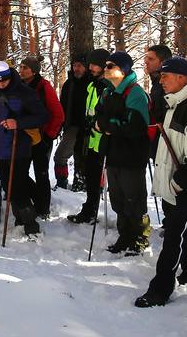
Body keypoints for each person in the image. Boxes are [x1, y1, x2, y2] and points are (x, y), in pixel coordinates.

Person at [135, 57, 187, 307]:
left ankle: (160, 289)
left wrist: (181, 182)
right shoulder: (177, 102)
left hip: (184, 185)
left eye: (166, 76)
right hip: (177, 181)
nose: (162, 80)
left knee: (174, 237)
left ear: (183, 78)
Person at [94, 52, 152, 254]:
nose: (106, 68)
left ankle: (140, 237)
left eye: (111, 65)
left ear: (124, 69)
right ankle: (124, 235)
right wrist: (108, 124)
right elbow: (98, 115)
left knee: (133, 197)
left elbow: (135, 126)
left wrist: (111, 125)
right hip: (113, 151)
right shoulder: (107, 92)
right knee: (117, 197)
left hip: (133, 153)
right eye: (106, 65)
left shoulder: (135, 93)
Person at [0, 60, 47, 236]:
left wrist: (17, 123)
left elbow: (42, 116)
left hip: (18, 146)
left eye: (4, 80)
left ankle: (31, 225)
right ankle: (22, 217)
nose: (1, 84)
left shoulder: (24, 92)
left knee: (17, 188)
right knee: (8, 185)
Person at [67, 49, 113, 225]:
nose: (90, 67)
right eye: (90, 64)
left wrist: (97, 122)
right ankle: (89, 210)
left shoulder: (108, 87)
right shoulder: (92, 85)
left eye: (94, 64)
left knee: (99, 179)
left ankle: (93, 211)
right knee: (92, 178)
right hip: (91, 139)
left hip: (104, 140)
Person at [19, 56, 64, 217]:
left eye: (25, 67)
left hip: (42, 138)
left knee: (41, 174)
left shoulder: (44, 87)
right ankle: (32, 200)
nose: (21, 70)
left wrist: (48, 136)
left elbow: (58, 114)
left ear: (34, 70)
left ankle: (43, 208)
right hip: (23, 138)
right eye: (21, 67)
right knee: (21, 172)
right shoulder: (19, 86)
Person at [55, 54, 91, 190]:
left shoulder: (92, 83)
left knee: (90, 160)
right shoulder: (68, 84)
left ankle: (93, 188)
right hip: (72, 127)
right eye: (74, 65)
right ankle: (61, 185)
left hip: (90, 129)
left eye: (80, 66)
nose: (76, 68)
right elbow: (62, 106)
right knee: (60, 156)